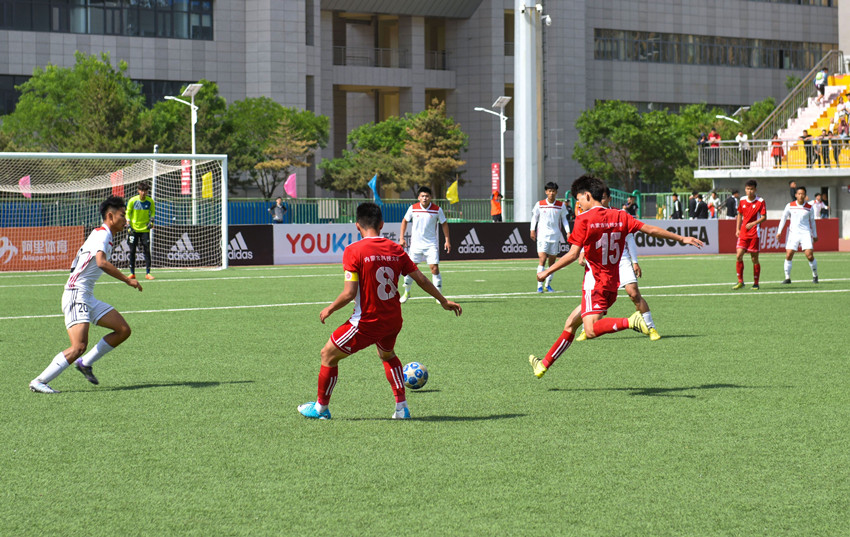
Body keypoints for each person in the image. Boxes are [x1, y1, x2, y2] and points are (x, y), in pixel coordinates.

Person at [527, 175, 703, 379]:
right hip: (611, 284)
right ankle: (543, 364)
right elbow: (651, 230)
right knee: (570, 324)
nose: (578, 204)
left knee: (590, 330)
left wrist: (547, 271)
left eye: (579, 199)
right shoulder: (620, 215)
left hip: (595, 284)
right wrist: (681, 238)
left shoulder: (584, 219)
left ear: (587, 195)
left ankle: (631, 321)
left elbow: (573, 254)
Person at [297, 203, 461, 419]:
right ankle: (401, 408)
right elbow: (420, 278)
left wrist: (330, 308)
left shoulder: (353, 250)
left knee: (327, 355)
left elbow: (349, 293)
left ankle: (320, 409)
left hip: (367, 322)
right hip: (393, 320)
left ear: (357, 226)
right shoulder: (396, 249)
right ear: (382, 224)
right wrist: (443, 300)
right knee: (387, 354)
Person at [29, 196, 144, 394]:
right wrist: (127, 280)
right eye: (122, 215)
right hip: (76, 294)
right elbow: (101, 262)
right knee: (78, 346)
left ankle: (85, 363)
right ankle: (39, 381)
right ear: (110, 216)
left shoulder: (104, 235)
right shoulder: (102, 234)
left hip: (86, 295)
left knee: (123, 330)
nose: (125, 219)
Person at [575, 186, 662, 342]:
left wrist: (635, 261)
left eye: (603, 198)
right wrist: (582, 251)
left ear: (609, 199)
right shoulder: (589, 216)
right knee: (593, 294)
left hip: (621, 259)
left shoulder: (620, 215)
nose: (600, 200)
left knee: (634, 293)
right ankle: (585, 329)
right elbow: (585, 238)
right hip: (600, 262)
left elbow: (630, 239)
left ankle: (650, 327)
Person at [399, 186, 451, 303]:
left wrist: (447, 240)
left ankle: (439, 296)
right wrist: (401, 238)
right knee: (410, 268)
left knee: (434, 268)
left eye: (427, 196)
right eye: (422, 196)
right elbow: (405, 221)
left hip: (431, 244)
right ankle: (406, 292)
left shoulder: (437, 210)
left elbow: (444, 223)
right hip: (415, 245)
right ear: (418, 197)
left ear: (430, 197)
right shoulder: (413, 208)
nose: (424, 198)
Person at [530, 181, 571, 293]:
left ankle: (547, 285)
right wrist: (532, 230)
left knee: (552, 262)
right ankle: (539, 286)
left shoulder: (561, 205)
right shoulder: (539, 204)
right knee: (542, 259)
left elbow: (564, 220)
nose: (551, 193)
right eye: (549, 191)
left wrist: (568, 232)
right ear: (546, 192)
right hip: (542, 236)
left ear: (556, 192)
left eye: (553, 191)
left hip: (555, 236)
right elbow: (534, 217)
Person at [777, 186, 818, 285]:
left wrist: (815, 235)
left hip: (805, 233)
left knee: (809, 255)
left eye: (802, 194)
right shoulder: (790, 206)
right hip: (793, 234)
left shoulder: (809, 207)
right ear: (796, 195)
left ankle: (815, 275)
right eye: (799, 194)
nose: (801, 196)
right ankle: (787, 278)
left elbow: (812, 222)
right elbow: (783, 219)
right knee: (789, 254)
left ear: (805, 195)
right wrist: (779, 232)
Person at [733, 179, 767, 290]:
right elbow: (739, 214)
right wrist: (737, 229)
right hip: (743, 233)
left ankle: (756, 283)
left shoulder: (760, 201)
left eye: (751, 189)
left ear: (755, 189)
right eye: (748, 189)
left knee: (754, 259)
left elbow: (764, 217)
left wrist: (753, 223)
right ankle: (740, 282)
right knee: (739, 255)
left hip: (754, 233)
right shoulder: (742, 200)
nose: (749, 191)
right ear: (745, 189)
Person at [126, 182, 155, 280]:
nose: (143, 193)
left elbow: (153, 212)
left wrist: (151, 221)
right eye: (142, 191)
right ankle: (132, 273)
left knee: (147, 250)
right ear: (138, 191)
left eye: (145, 191)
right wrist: (128, 224)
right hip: (133, 229)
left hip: (144, 230)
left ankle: (148, 273)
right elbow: (128, 213)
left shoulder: (150, 201)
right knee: (132, 251)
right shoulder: (132, 200)